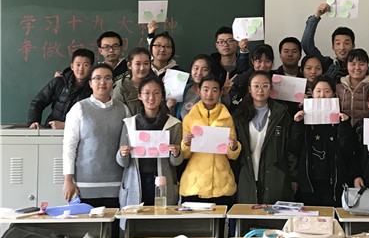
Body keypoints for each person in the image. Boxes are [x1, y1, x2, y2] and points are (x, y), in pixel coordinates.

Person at [62, 63, 130, 208]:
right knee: (85, 222)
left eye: (107, 78)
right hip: (84, 185)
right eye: (97, 78)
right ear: (90, 83)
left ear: (113, 83)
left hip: (116, 184)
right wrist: (68, 180)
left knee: (113, 222)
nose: (102, 82)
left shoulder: (123, 110)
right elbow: (69, 147)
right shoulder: (79, 109)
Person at [290, 76, 359, 206]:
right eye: (318, 91)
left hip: (334, 181)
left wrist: (344, 125)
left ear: (334, 94)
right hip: (309, 180)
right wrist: (297, 124)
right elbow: (294, 147)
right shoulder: (302, 117)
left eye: (327, 91)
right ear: (312, 93)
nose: (322, 95)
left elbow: (348, 149)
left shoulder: (342, 118)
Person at [117, 78, 183, 210]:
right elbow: (123, 162)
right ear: (139, 96)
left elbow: (176, 162)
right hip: (135, 182)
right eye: (146, 93)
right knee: (135, 220)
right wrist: (122, 154)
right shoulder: (129, 124)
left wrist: (176, 154)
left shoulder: (174, 124)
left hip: (164, 181)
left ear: (163, 96)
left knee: (162, 218)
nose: (151, 98)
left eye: (156, 93)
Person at [233, 71, 297, 204]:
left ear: (271, 89)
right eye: (256, 86)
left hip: (276, 178)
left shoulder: (281, 114)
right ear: (249, 89)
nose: (260, 90)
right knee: (247, 213)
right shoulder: (239, 115)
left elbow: (290, 148)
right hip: (247, 176)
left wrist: (293, 177)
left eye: (265, 86)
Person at [180, 74, 241, 205]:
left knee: (222, 218)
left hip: (221, 183)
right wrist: (186, 143)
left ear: (220, 93)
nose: (209, 94)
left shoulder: (227, 117)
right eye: (206, 89)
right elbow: (185, 155)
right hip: (195, 184)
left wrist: (234, 146)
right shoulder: (189, 118)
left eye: (214, 90)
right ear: (199, 91)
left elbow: (232, 156)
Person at [28, 48, 95, 129]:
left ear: (91, 68)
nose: (81, 69)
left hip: (80, 133)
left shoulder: (94, 88)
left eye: (86, 65)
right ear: (72, 66)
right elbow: (37, 102)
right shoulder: (59, 82)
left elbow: (94, 119)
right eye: (78, 65)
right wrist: (34, 121)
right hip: (53, 131)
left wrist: (65, 125)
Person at [301, 3, 356, 82]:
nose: (342, 47)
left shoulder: (359, 66)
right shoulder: (326, 64)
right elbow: (306, 44)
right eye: (338, 43)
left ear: (353, 46)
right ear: (333, 46)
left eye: (346, 43)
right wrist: (316, 16)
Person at [336, 48, 369, 125]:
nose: (357, 68)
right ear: (347, 66)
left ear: (367, 66)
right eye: (353, 64)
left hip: (366, 129)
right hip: (343, 130)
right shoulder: (338, 88)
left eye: (361, 64)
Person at [229, 44, 276, 111]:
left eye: (267, 61)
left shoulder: (277, 79)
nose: (263, 65)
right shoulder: (241, 81)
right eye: (259, 61)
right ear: (253, 61)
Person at [112, 47, 152, 115]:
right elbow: (116, 113)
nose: (142, 68)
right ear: (129, 65)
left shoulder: (155, 85)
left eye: (146, 63)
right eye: (138, 64)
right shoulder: (121, 86)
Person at [210, 26, 249, 95]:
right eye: (221, 42)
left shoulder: (246, 63)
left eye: (230, 41)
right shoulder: (210, 66)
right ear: (216, 45)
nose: (225, 44)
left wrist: (244, 51)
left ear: (237, 43)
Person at [175, 54, 213, 120]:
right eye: (196, 68)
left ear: (210, 72)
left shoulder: (213, 93)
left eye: (204, 70)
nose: (199, 73)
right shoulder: (183, 89)